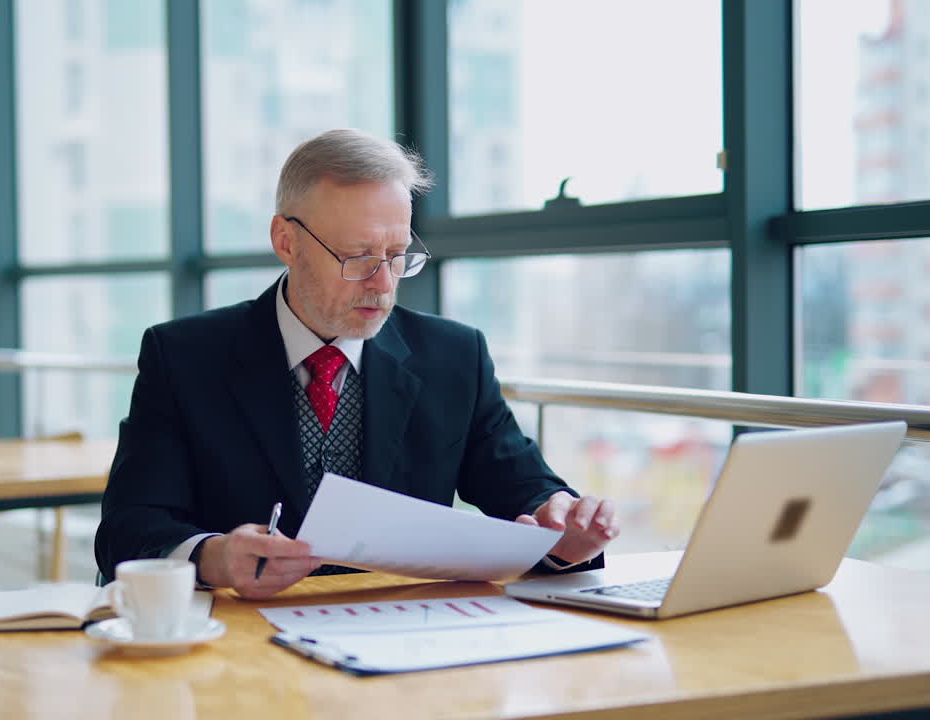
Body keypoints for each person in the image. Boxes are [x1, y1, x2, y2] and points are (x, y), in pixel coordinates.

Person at [96, 128, 619, 598]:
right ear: (287, 241)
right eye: (359, 257)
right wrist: (214, 558)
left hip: (405, 644)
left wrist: (566, 533)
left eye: (398, 255)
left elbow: (527, 493)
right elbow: (128, 529)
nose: (384, 283)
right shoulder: (185, 357)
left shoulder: (454, 357)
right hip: (237, 647)